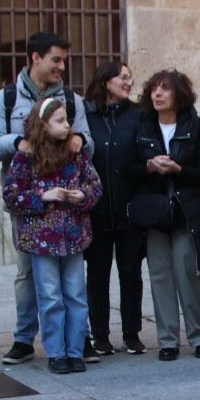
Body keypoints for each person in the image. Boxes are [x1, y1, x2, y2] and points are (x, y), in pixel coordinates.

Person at [0, 32, 93, 366]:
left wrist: (79, 140)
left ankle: (76, 340)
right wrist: (18, 142)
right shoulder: (6, 99)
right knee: (28, 274)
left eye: (64, 60)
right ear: (35, 58)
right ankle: (24, 338)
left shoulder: (72, 102)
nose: (61, 66)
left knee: (71, 282)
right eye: (56, 59)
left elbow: (89, 144)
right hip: (31, 209)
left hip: (68, 216)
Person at [3, 98, 102, 375]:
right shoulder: (26, 155)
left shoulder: (77, 153)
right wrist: (42, 197)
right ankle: (56, 352)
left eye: (67, 120)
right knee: (49, 297)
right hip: (41, 239)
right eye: (59, 120)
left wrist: (81, 196)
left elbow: (94, 185)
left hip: (73, 235)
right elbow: (11, 194)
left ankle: (75, 350)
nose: (67, 125)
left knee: (75, 295)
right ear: (43, 124)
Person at [132, 70, 200, 361]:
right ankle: (167, 340)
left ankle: (199, 336)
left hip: (186, 212)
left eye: (165, 89)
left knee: (187, 273)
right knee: (159, 276)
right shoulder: (143, 125)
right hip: (155, 214)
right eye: (154, 89)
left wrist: (178, 170)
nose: (157, 94)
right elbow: (129, 171)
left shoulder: (195, 126)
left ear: (179, 94)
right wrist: (149, 165)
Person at [84, 60, 147, 356]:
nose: (128, 82)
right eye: (122, 77)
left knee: (131, 272)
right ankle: (100, 335)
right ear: (106, 81)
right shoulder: (86, 116)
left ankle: (132, 333)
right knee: (97, 275)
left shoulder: (137, 116)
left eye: (130, 78)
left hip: (129, 209)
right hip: (95, 211)